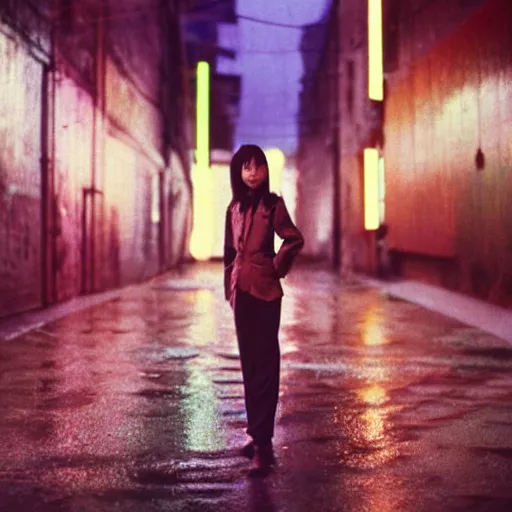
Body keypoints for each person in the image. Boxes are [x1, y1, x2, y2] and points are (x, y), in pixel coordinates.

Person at [223, 144, 304, 477]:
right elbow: (229, 251)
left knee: (266, 367)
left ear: (266, 170)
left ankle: (264, 447)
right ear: (239, 172)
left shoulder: (274, 205)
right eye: (246, 167)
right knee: (249, 365)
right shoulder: (234, 208)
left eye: (257, 167)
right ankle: (256, 434)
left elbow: (293, 239)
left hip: (266, 293)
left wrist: (275, 266)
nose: (252, 172)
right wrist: (230, 283)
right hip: (242, 293)